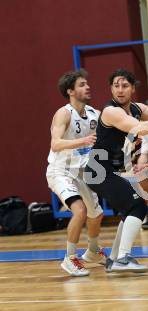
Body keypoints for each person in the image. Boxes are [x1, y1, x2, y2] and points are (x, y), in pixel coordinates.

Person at [85, 69, 148, 273]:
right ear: (111, 89)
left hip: (111, 170)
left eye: (125, 86)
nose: (120, 90)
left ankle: (114, 259)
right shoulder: (111, 111)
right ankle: (123, 259)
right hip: (98, 170)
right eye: (116, 85)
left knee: (129, 210)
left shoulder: (136, 108)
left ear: (133, 88)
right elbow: (140, 129)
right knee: (138, 207)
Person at [46, 69, 107, 277]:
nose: (87, 86)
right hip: (61, 171)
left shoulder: (94, 114)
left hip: (83, 172)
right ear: (70, 91)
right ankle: (70, 258)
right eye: (81, 84)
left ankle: (93, 252)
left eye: (87, 83)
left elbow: (109, 136)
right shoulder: (63, 113)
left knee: (96, 215)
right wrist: (82, 141)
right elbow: (55, 144)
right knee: (79, 211)